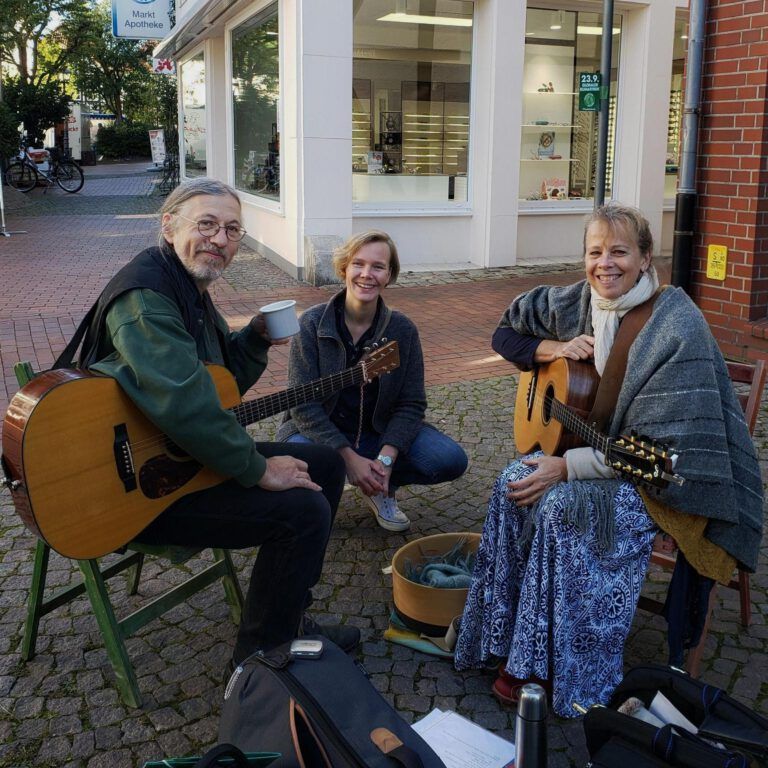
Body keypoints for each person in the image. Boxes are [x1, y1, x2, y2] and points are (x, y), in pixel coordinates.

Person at [454, 203, 763, 717]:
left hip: (660, 483)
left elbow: (666, 459)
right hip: (596, 455)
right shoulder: (575, 302)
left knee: (563, 509)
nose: (605, 263)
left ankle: (567, 671)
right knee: (511, 482)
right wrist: (551, 349)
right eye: (595, 251)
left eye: (619, 251)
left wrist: (566, 467)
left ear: (645, 257)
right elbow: (505, 335)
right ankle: (504, 637)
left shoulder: (676, 323)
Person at [76, 177, 359, 666]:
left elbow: (219, 384)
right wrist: (258, 470)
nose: (220, 240)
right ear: (168, 227)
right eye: (206, 225)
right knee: (301, 512)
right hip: (135, 492)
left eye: (232, 230)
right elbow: (189, 406)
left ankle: (287, 614)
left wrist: (254, 337)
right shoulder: (146, 299)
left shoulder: (186, 283)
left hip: (181, 457)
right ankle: (259, 663)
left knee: (325, 465)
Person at [276, 230, 468, 532]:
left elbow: (412, 402)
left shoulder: (402, 329)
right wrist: (348, 458)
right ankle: (328, 488)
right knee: (295, 459)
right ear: (344, 269)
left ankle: (380, 484)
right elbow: (303, 405)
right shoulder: (312, 324)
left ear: (389, 275)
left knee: (449, 459)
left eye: (378, 267)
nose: (367, 274)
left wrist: (387, 458)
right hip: (319, 433)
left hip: (377, 433)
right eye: (358, 264)